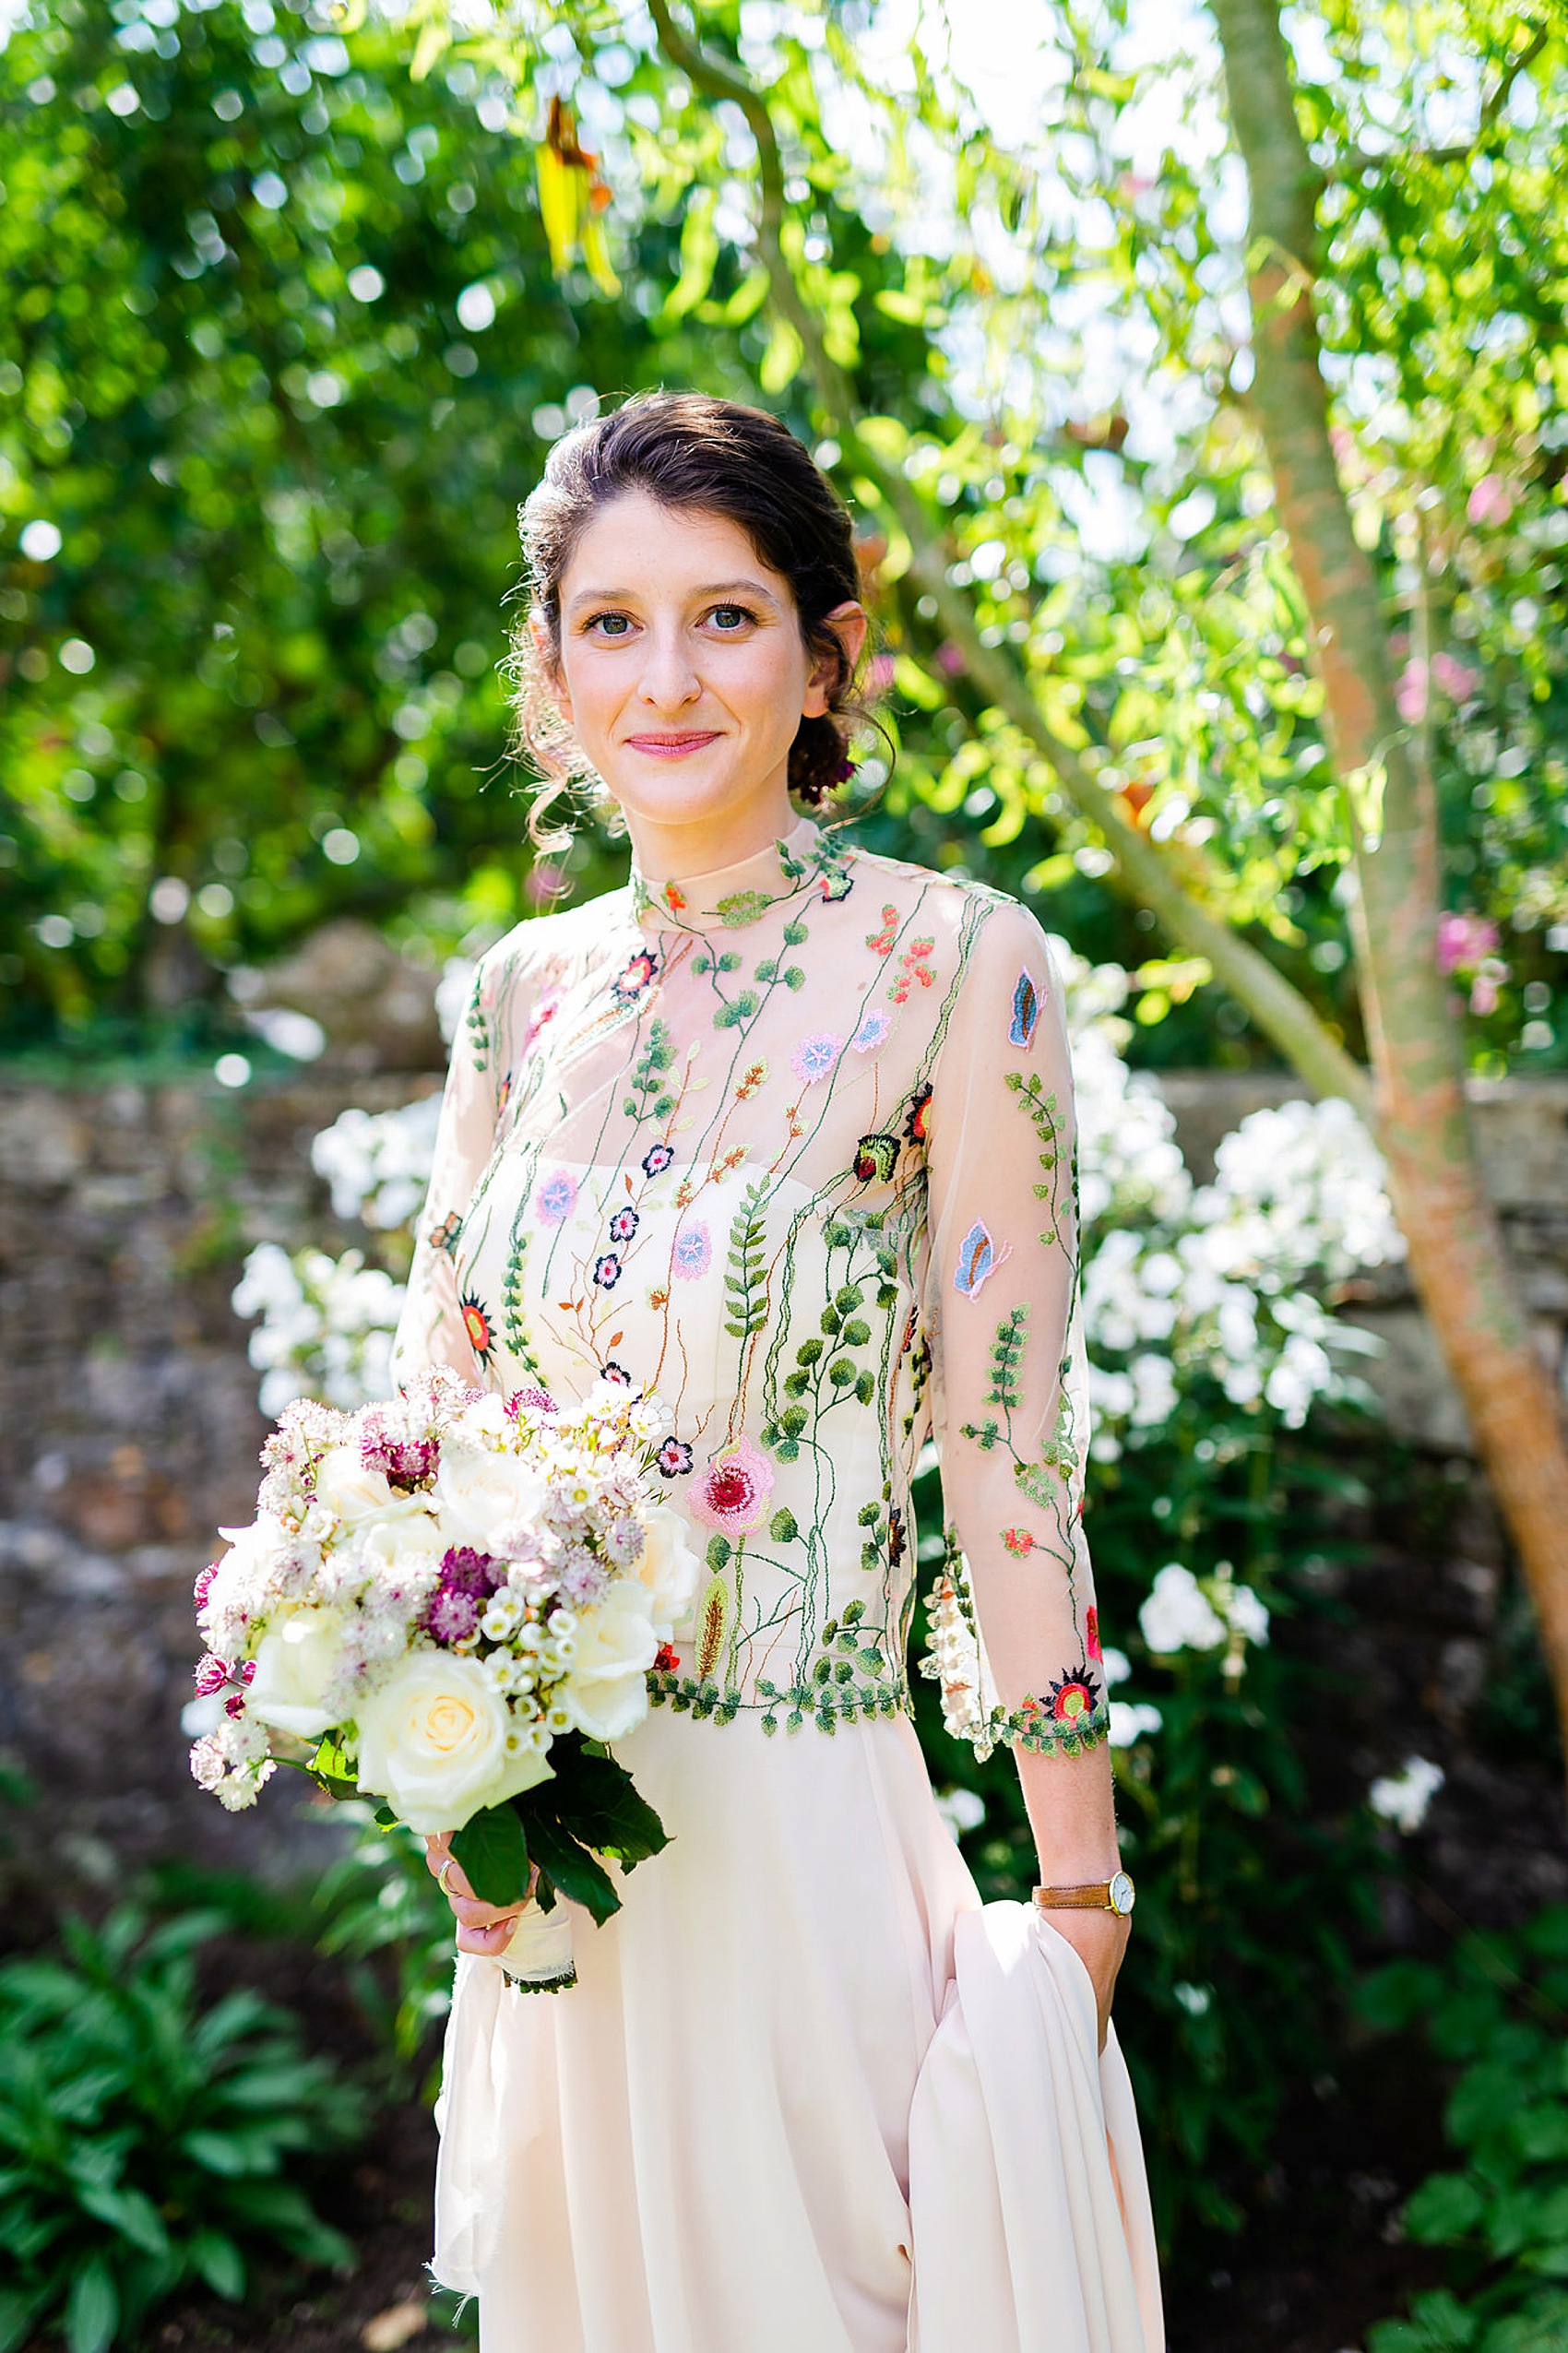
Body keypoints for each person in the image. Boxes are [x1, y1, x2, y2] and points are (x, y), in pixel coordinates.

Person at [393, 392, 1161, 2352]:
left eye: (726, 618)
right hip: (560, 1860)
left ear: (824, 657)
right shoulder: (513, 996)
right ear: (551, 670)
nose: (667, 677)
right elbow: (435, 1436)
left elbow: (1005, 1451)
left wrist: (1078, 1890)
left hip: (808, 1848)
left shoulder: (955, 967)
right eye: (612, 622)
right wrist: (436, 1777)